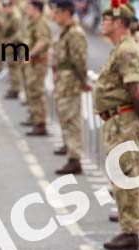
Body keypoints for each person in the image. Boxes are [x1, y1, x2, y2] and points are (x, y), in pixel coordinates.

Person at [94, 0, 139, 250]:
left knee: (126, 175)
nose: (103, 22)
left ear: (119, 22)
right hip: (118, 119)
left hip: (124, 121)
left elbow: (136, 88)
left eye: (108, 19)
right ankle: (127, 226)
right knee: (121, 174)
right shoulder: (121, 47)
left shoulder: (127, 50)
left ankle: (130, 231)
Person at [52, 0, 87, 175]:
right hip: (62, 82)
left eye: (57, 12)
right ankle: (70, 152)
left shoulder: (75, 33)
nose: (54, 15)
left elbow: (79, 61)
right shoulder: (64, 32)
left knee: (72, 120)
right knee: (65, 118)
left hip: (71, 82)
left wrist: (83, 81)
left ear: (67, 13)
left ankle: (75, 159)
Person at [21, 0, 51, 135]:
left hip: (38, 62)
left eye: (29, 8)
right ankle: (35, 118)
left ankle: (40, 123)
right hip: (32, 63)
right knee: (32, 91)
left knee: (37, 93)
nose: (26, 10)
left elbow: (43, 41)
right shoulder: (33, 22)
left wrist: (30, 53)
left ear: (36, 9)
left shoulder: (41, 23)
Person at [2, 0, 24, 99]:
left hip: (14, 46)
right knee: (11, 68)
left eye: (6, 6)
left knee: (14, 68)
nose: (4, 8)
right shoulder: (9, 16)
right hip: (9, 45)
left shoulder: (15, 17)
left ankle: (16, 89)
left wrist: (11, 41)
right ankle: (13, 87)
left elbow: (18, 33)